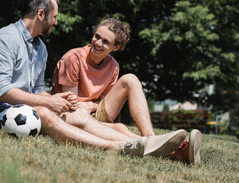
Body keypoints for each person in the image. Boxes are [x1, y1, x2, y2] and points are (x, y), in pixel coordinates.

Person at [0, 0, 187, 158]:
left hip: (25, 107)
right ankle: (116, 147)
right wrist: (48, 103)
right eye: (54, 17)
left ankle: (154, 146)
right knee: (45, 113)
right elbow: (1, 90)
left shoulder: (40, 48)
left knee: (79, 114)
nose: (56, 22)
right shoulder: (6, 38)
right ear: (40, 14)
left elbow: (37, 89)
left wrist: (54, 99)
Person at [51, 18, 202, 164]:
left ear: (115, 47)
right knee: (120, 128)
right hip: (71, 114)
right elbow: (71, 104)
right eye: (97, 36)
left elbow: (101, 103)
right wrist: (90, 106)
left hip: (90, 111)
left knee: (130, 79)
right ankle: (175, 153)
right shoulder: (73, 58)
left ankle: (150, 137)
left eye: (105, 41)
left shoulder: (113, 66)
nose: (97, 43)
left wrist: (91, 106)